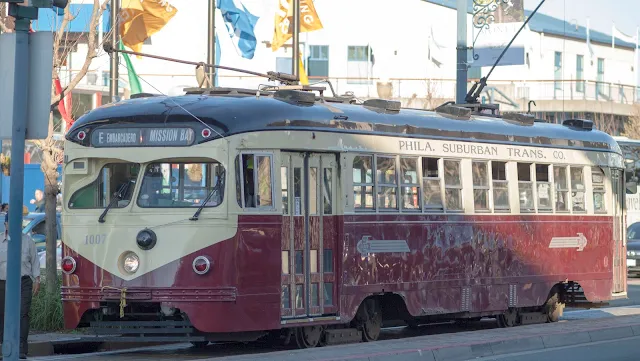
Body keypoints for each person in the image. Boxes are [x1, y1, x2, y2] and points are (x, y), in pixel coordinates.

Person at [0, 205, 40, 359]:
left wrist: (37, 279)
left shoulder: (28, 241)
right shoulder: (0, 240)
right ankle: (5, 346)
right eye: (11, 222)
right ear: (6, 224)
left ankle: (22, 349)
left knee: (23, 314)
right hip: (3, 283)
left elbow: (35, 261)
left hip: (23, 282)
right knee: (3, 314)